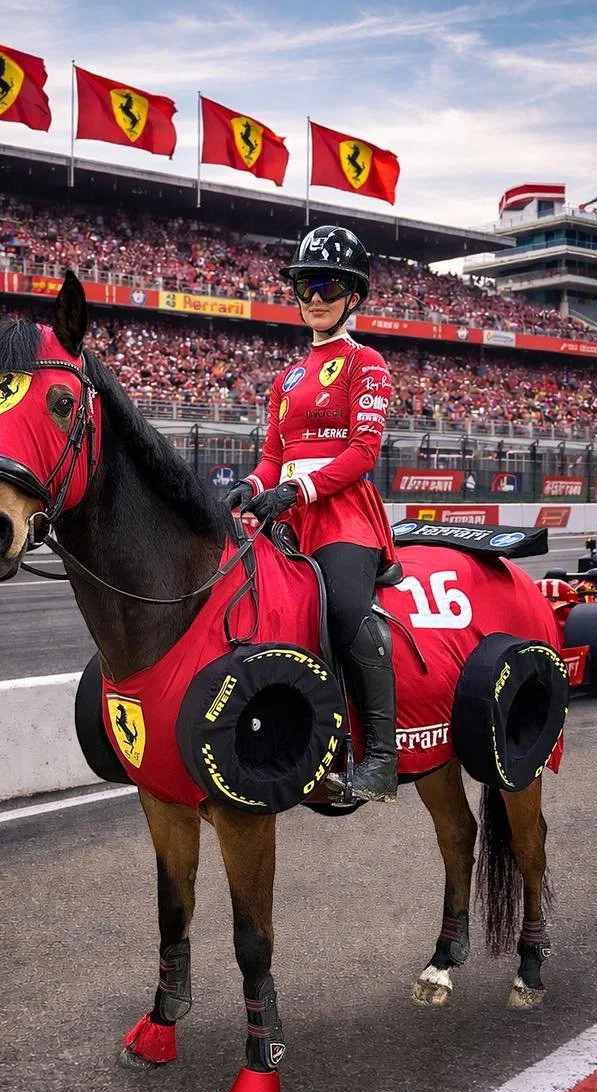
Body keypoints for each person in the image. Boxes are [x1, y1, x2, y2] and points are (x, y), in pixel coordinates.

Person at [225, 225, 399, 804]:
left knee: (347, 611)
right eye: (304, 284)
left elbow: (362, 452)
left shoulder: (366, 362)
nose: (314, 296)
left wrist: (296, 493)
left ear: (352, 294)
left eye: (327, 284)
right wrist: (248, 487)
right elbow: (273, 458)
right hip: (286, 516)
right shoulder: (286, 378)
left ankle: (379, 758)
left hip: (343, 515)